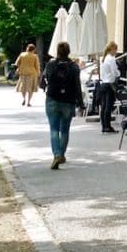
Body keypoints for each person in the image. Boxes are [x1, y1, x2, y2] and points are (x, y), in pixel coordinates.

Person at [43, 41, 82, 169]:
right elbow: (77, 86)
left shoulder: (51, 64)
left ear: (57, 51)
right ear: (69, 51)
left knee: (54, 129)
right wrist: (80, 103)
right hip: (68, 101)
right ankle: (61, 154)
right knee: (64, 130)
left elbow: (42, 82)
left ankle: (57, 154)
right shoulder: (74, 67)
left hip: (52, 99)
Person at [99, 41, 120, 133]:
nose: (116, 51)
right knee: (108, 106)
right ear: (112, 49)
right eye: (115, 49)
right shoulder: (111, 59)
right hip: (110, 84)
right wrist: (119, 73)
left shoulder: (103, 59)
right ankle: (108, 125)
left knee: (104, 106)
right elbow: (114, 71)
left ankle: (104, 125)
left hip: (103, 83)